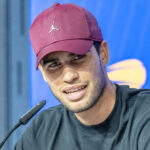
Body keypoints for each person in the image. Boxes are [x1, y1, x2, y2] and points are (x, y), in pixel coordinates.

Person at [15, 2, 150, 150]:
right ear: (43, 73)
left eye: (78, 57)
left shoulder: (144, 116)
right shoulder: (40, 133)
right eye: (53, 65)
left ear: (103, 54)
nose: (69, 76)